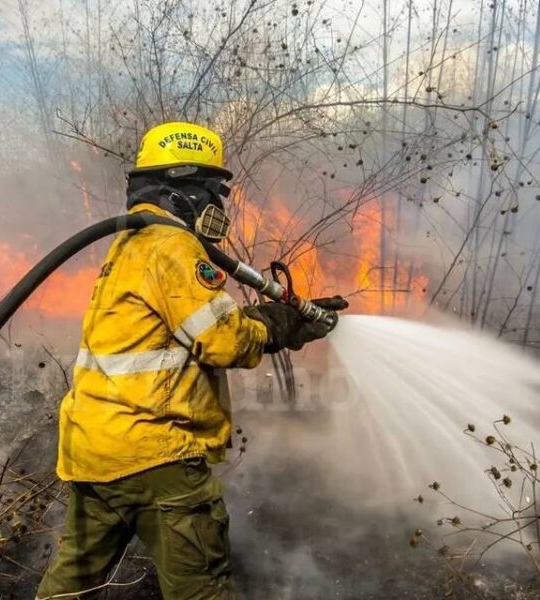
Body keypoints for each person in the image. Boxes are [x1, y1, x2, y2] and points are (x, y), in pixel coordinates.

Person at [36, 122, 347, 600]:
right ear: (182, 190)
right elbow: (222, 340)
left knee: (69, 589)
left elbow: (188, 325)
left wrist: (269, 316)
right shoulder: (173, 246)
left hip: (93, 449)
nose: (217, 206)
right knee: (200, 590)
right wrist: (281, 324)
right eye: (211, 191)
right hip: (155, 450)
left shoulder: (130, 244)